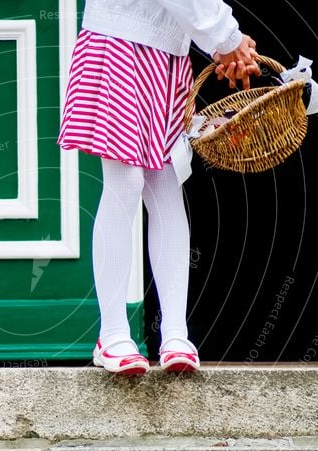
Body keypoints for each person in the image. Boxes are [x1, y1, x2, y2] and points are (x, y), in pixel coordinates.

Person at [58, 0, 260, 375]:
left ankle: (175, 334)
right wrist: (227, 37)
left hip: (167, 55)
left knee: (165, 183)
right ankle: (114, 333)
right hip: (120, 43)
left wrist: (224, 43)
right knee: (126, 180)